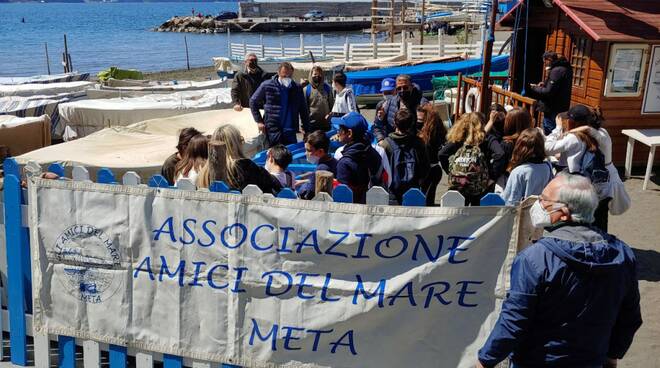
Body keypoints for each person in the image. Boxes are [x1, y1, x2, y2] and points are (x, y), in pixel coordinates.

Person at [477, 172, 642, 368]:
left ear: (563, 212)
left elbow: (514, 320)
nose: (538, 204)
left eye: (543, 200)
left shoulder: (535, 258)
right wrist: (612, 355)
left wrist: (484, 361)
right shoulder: (623, 254)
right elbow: (630, 316)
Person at [569, 107, 631, 220]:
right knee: (601, 214)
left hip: (605, 177)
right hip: (605, 174)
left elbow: (587, 129)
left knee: (599, 212)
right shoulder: (603, 132)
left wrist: (567, 132)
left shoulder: (599, 134)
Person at [438, 112, 505, 206]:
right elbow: (500, 154)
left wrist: (451, 171)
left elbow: (442, 154)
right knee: (477, 215)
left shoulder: (459, 139)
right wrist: (492, 176)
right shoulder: (487, 138)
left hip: (459, 184)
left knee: (456, 214)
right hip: (480, 185)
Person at [197, 125, 282, 194]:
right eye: (241, 140)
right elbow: (275, 185)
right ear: (235, 145)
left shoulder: (203, 173)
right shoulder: (244, 167)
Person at [250, 62, 310, 147]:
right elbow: (253, 101)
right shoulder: (267, 85)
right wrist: (259, 121)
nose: (287, 78)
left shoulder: (297, 88)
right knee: (274, 156)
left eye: (289, 76)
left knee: (289, 155)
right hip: (273, 130)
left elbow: (303, 110)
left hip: (290, 131)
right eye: (284, 76)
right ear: (278, 73)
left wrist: (307, 130)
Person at [379, 109, 429, 204]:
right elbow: (425, 168)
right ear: (411, 124)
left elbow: (380, 171)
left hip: (392, 193)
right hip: (413, 192)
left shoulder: (385, 144)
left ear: (394, 123)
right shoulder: (418, 143)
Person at [333, 112, 383, 204]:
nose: (338, 132)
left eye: (340, 129)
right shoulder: (374, 153)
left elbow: (343, 196)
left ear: (349, 133)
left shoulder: (344, 163)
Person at [501, 128, 553, 205]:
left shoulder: (518, 172)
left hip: (522, 214)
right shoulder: (547, 166)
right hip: (539, 210)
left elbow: (511, 201)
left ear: (520, 147)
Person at [373, 74, 428, 141]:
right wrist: (381, 140)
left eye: (405, 87)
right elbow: (377, 126)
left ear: (412, 86)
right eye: (399, 88)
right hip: (394, 145)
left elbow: (431, 128)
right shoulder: (389, 103)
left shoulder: (422, 104)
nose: (402, 91)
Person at [530, 51, 573, 134]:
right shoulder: (566, 68)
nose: (545, 64)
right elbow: (557, 86)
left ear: (549, 59)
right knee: (556, 130)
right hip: (561, 106)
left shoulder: (557, 71)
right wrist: (545, 84)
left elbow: (548, 91)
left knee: (550, 131)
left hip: (552, 108)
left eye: (545, 62)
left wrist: (535, 88)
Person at [492, 108, 534, 192]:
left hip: (507, 185)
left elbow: (498, 168)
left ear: (510, 124)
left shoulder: (507, 144)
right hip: (528, 183)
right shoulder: (533, 141)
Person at [417, 104, 447, 206]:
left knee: (426, 201)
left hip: (429, 171)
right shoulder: (440, 131)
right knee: (427, 199)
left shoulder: (430, 136)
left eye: (421, 120)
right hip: (433, 170)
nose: (418, 123)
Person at [298, 131, 338, 200]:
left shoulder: (321, 169)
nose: (306, 153)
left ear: (320, 151)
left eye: (309, 150)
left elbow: (307, 193)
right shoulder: (332, 160)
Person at [304, 66, 334, 132]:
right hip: (312, 125)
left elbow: (332, 105)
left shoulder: (327, 88)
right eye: (315, 74)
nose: (317, 76)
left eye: (319, 74)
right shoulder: (306, 89)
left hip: (326, 125)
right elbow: (304, 109)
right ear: (311, 75)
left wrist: (331, 116)